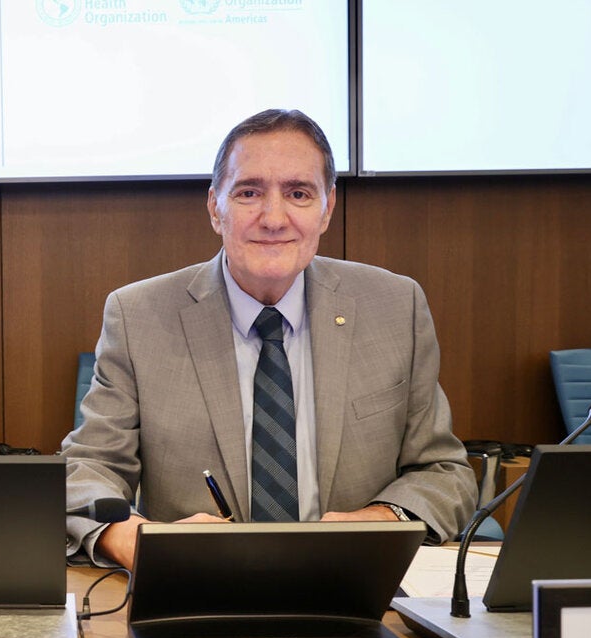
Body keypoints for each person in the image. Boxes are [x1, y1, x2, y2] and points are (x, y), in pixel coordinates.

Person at [64, 109, 476, 569]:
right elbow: (87, 468)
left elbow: (444, 473)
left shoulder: (395, 307)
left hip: (350, 584)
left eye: (298, 193)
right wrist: (134, 538)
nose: (273, 217)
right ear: (214, 208)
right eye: (249, 192)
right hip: (196, 588)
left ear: (327, 209)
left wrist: (379, 519)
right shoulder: (139, 315)